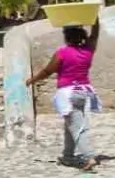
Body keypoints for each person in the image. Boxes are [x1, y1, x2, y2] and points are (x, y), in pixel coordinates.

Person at [26, 23, 103, 170]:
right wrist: (95, 19)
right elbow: (95, 35)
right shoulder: (88, 50)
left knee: (77, 127)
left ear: (66, 37)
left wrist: (32, 80)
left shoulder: (63, 53)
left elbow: (48, 71)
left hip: (68, 94)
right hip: (83, 92)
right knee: (71, 125)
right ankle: (67, 156)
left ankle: (89, 157)